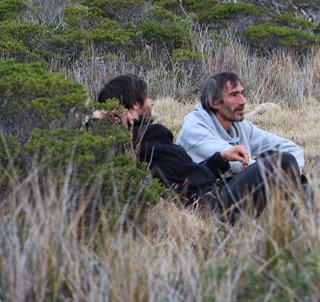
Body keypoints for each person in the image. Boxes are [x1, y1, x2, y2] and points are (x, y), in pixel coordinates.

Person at [95, 75, 300, 221]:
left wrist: (220, 158)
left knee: (304, 188)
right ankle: (289, 226)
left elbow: (185, 174)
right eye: (147, 97)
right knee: (283, 162)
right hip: (210, 208)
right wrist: (101, 118)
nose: (153, 102)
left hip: (208, 199)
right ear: (135, 105)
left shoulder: (138, 139)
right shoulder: (146, 136)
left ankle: (294, 220)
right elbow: (193, 182)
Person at [176, 72, 305, 185]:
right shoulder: (195, 129)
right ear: (214, 102)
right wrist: (281, 177)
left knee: (286, 161)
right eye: (234, 95)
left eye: (242, 94)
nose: (243, 101)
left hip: (237, 190)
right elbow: (235, 164)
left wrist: (292, 173)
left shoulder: (240, 126)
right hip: (207, 201)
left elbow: (291, 149)